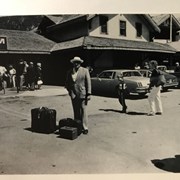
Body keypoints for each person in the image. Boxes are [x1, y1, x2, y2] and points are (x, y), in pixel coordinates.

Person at [65, 56, 91, 135]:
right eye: (74, 62)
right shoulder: (69, 72)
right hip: (74, 94)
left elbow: (88, 83)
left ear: (80, 63)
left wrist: (89, 93)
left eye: (77, 62)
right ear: (73, 63)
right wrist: (70, 92)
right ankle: (77, 126)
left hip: (82, 94)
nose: (76, 64)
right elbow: (67, 84)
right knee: (76, 110)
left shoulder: (85, 71)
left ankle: (85, 127)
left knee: (83, 110)